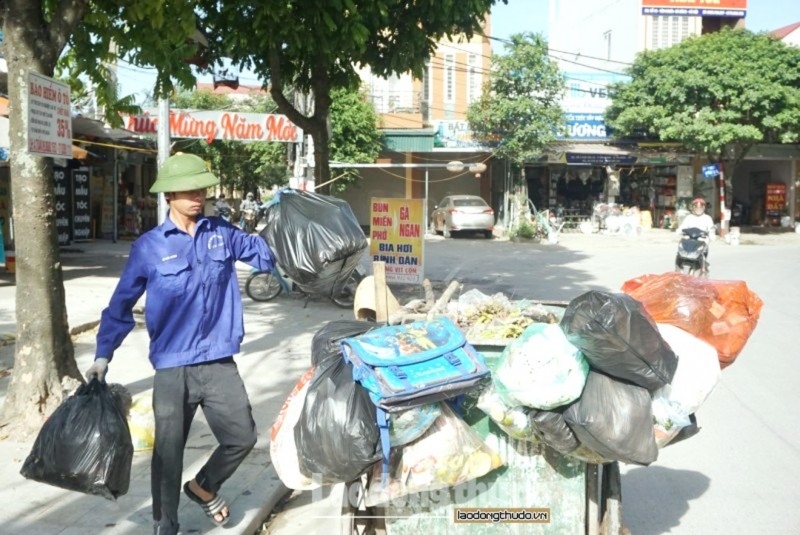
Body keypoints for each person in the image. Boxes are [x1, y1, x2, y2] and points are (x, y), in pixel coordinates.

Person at [84, 153, 276, 535]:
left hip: (219, 360)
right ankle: (164, 525)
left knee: (242, 437)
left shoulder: (221, 232)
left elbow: (265, 257)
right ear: (170, 194)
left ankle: (204, 485)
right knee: (168, 453)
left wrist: (283, 230)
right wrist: (103, 356)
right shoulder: (149, 247)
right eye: (189, 190)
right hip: (173, 366)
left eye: (201, 188)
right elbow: (121, 305)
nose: (198, 196)